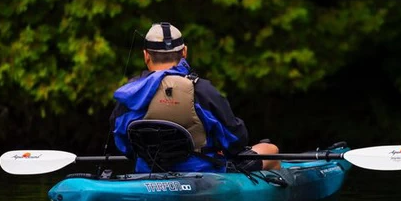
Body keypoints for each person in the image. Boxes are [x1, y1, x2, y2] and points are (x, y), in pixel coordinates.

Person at [110, 22, 280, 173]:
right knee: (270, 149)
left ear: (146, 55)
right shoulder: (202, 90)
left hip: (147, 174)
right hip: (204, 175)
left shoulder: (131, 95)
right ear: (184, 51)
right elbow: (236, 140)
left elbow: (123, 144)